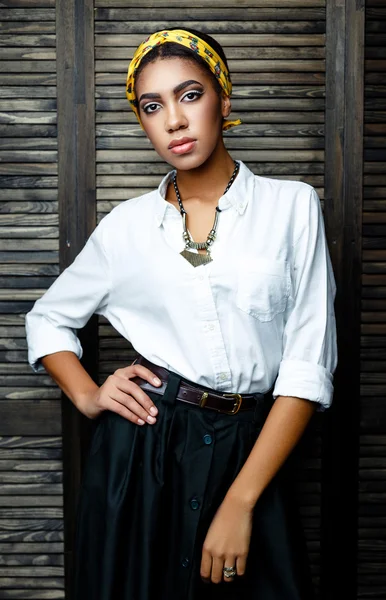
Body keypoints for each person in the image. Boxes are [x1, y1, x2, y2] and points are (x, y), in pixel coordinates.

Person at [25, 27, 337, 600]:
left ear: (223, 97)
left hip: (252, 447)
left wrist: (241, 501)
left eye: (189, 94)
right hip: (142, 455)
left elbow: (307, 365)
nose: (173, 119)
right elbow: (47, 319)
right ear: (142, 121)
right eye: (152, 105)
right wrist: (90, 394)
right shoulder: (126, 226)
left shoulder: (292, 206)